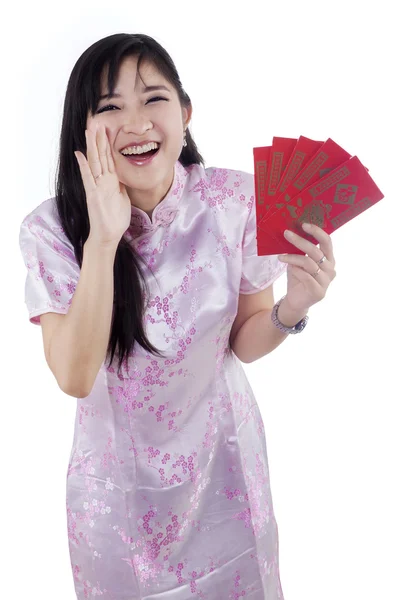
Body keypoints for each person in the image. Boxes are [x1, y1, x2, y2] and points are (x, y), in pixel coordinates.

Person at [19, 33, 336, 600]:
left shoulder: (234, 201)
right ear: (82, 130)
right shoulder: (52, 231)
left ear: (185, 114)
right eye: (110, 107)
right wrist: (103, 237)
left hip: (225, 473)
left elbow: (244, 338)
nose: (137, 122)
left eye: (153, 99)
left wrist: (294, 307)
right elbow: (74, 375)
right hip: (115, 497)